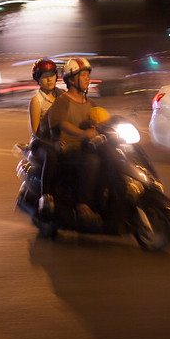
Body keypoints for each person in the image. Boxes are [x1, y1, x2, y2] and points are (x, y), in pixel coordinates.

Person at [48, 57, 102, 228]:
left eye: (88, 75)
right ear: (71, 79)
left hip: (87, 147)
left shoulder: (90, 102)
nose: (88, 78)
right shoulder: (63, 101)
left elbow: (100, 119)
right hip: (69, 149)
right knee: (92, 161)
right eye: (83, 75)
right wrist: (83, 133)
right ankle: (82, 205)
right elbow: (61, 123)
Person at [27, 58, 63, 197]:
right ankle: (46, 195)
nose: (49, 80)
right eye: (44, 77)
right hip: (41, 143)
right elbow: (35, 132)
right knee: (52, 155)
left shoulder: (62, 95)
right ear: (38, 79)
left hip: (59, 138)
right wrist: (52, 143)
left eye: (52, 75)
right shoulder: (37, 101)